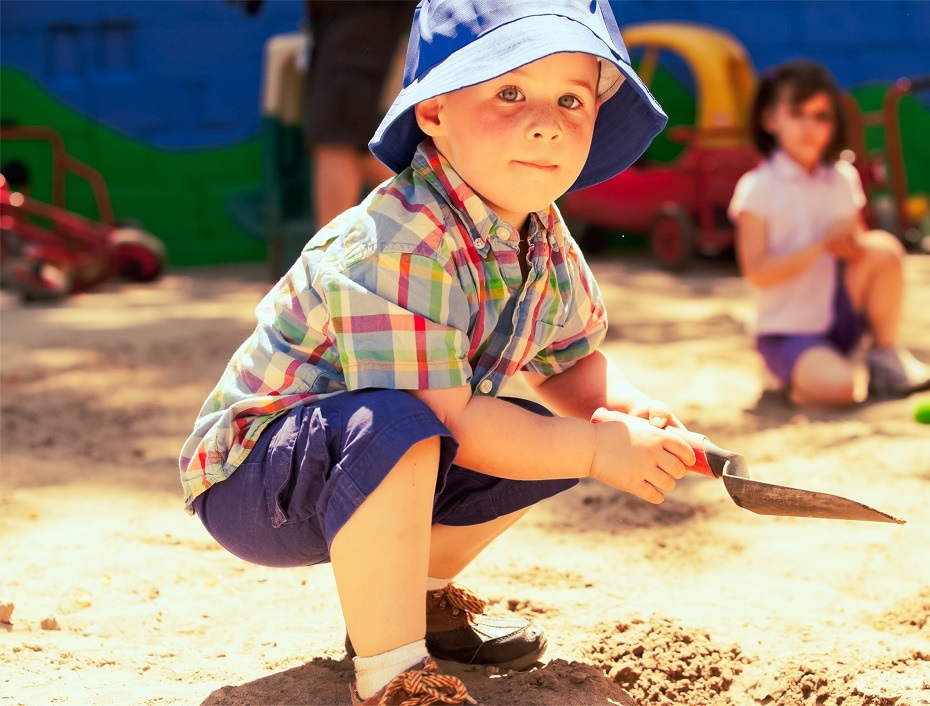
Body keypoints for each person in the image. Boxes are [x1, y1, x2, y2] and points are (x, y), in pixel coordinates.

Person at [179, 2, 697, 703]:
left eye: (571, 98)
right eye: (509, 92)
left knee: (549, 435)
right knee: (424, 426)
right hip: (259, 476)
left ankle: (413, 597)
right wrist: (598, 451)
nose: (545, 121)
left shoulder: (540, 230)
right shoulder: (403, 236)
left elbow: (568, 360)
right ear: (433, 113)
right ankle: (393, 675)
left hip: (384, 448)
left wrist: (625, 415)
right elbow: (443, 417)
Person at [729, 60, 930, 408]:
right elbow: (757, 272)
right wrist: (819, 245)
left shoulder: (843, 177)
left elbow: (861, 251)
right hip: (787, 330)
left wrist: (848, 243)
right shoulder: (757, 188)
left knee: (883, 248)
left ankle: (884, 357)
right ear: (770, 119)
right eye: (797, 113)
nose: (810, 126)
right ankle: (787, 378)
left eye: (821, 116)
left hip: (839, 319)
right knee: (840, 390)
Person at [303, 1, 416, 228]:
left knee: (336, 136)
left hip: (359, 12)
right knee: (348, 135)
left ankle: (329, 258)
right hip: (339, 18)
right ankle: (448, 215)